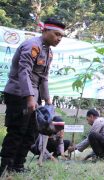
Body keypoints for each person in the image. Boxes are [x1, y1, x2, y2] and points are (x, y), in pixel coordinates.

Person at [0, 18, 65, 175]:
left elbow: (43, 77)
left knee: (31, 133)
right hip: (18, 94)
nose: (59, 39)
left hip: (33, 97)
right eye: (56, 34)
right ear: (45, 31)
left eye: (61, 36)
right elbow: (24, 72)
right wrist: (30, 97)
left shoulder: (48, 52)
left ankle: (18, 165)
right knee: (17, 131)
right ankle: (5, 168)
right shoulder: (32, 45)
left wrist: (48, 100)